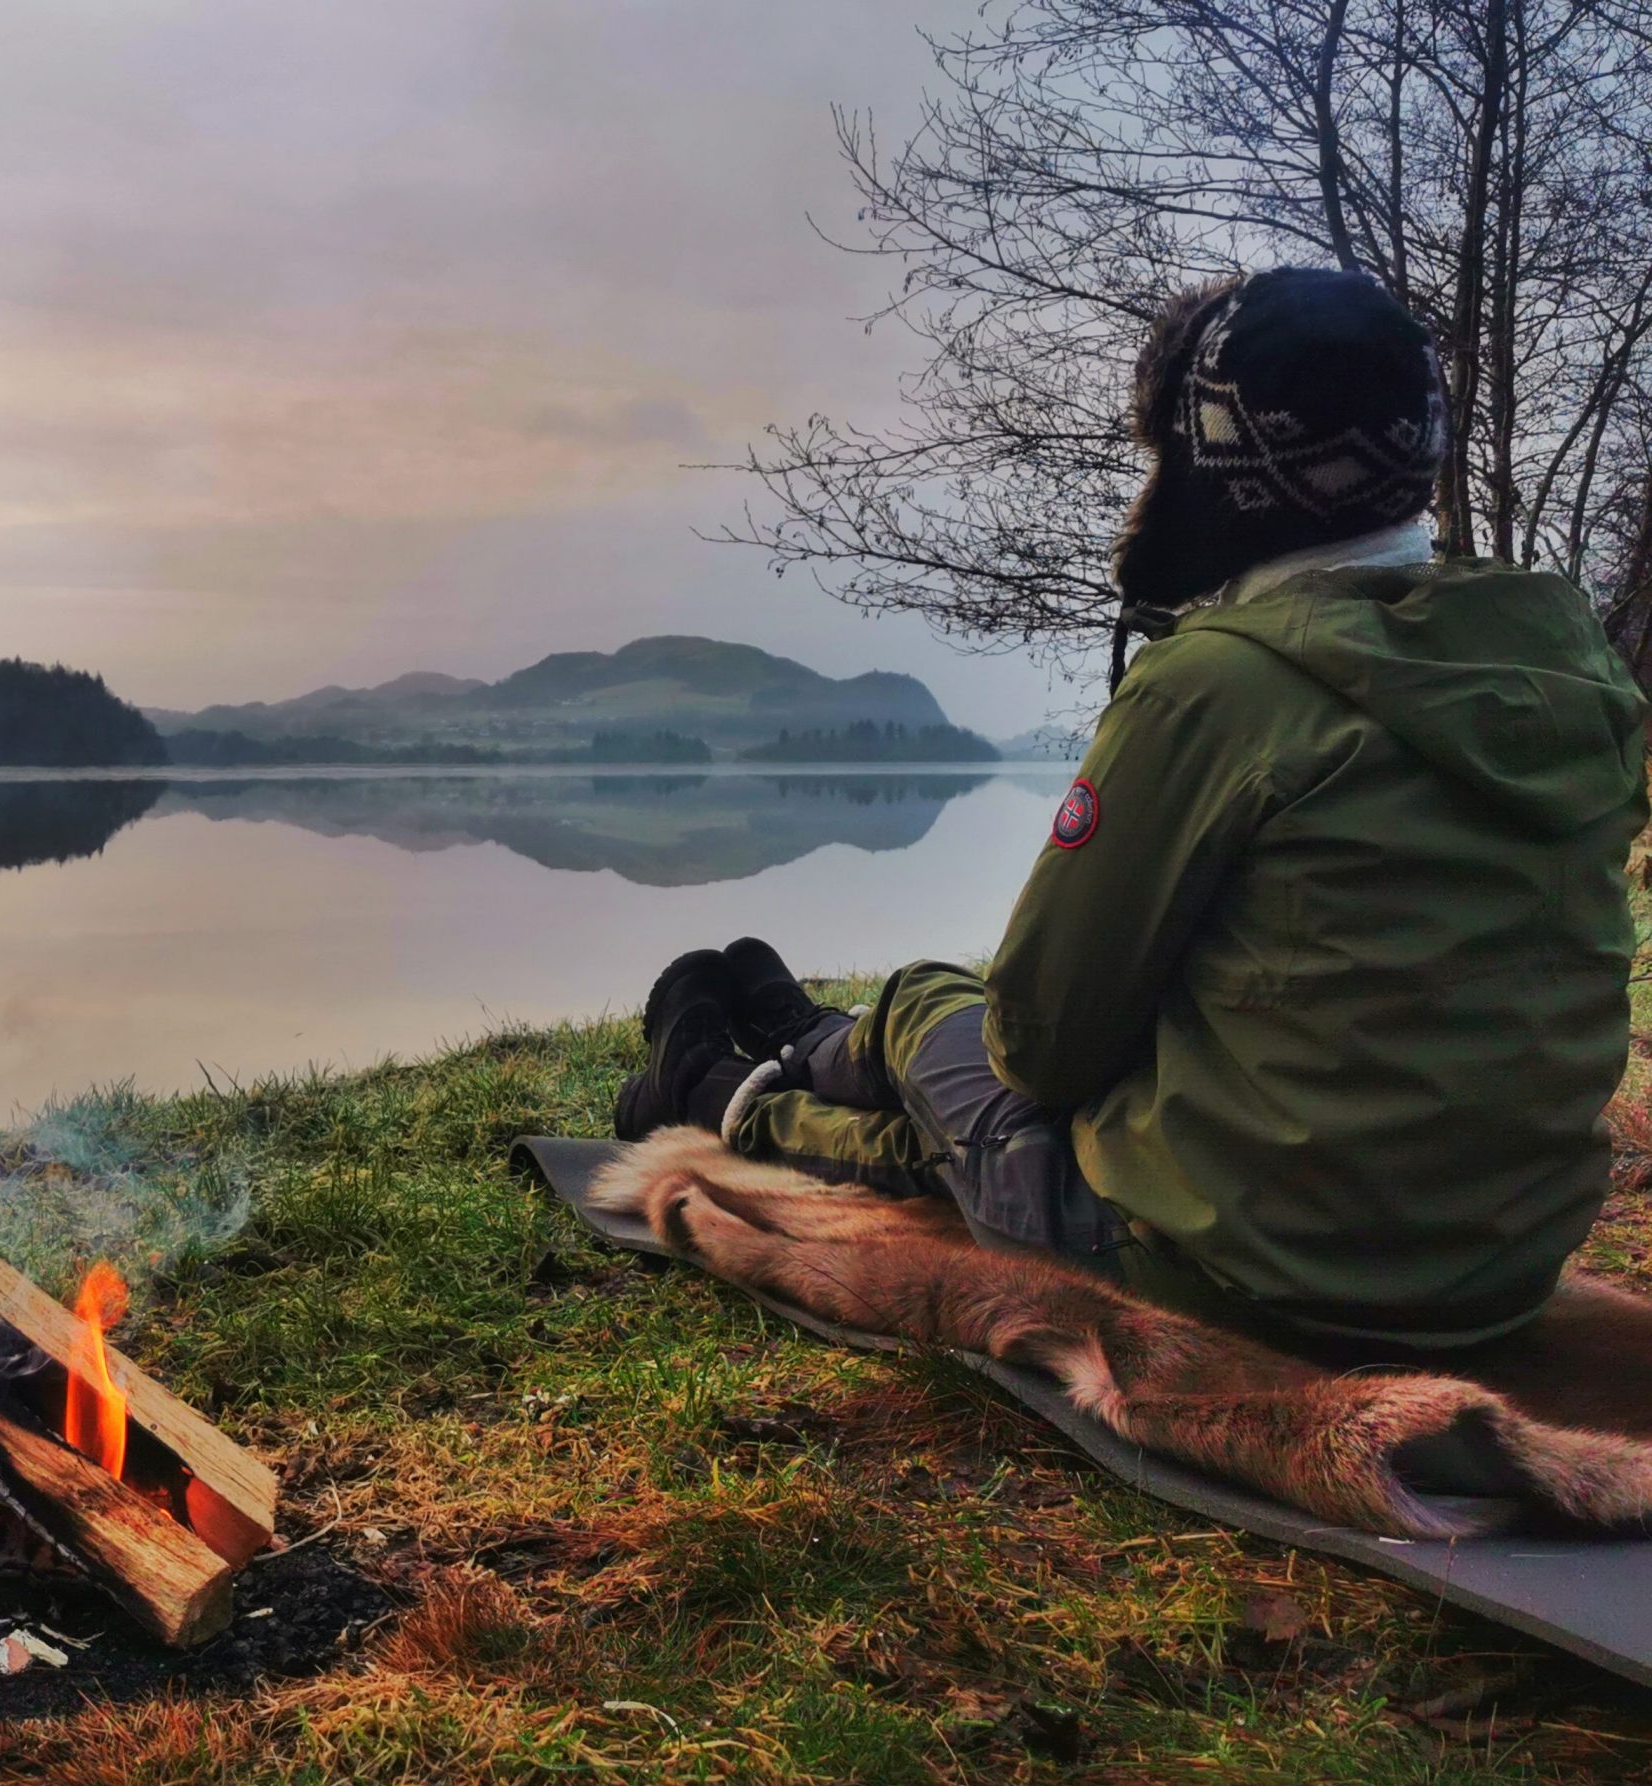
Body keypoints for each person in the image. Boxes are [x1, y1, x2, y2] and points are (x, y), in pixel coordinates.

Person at [617, 266, 1648, 1353]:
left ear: (1210, 473)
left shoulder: (1217, 687)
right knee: (1046, 1093)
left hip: (1244, 1280)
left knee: (938, 1015)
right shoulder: (1563, 667)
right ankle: (811, 1043)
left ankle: (737, 1094)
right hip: (1495, 1272)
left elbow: (1039, 1049)